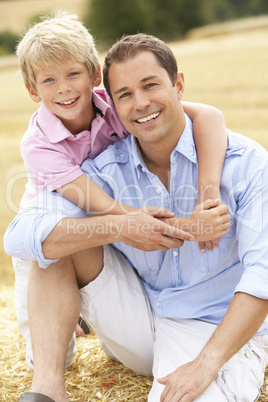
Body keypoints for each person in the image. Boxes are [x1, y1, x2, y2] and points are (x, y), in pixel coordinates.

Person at [5, 33, 268, 402]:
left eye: (151, 85)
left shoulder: (245, 164)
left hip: (209, 325)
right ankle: (48, 389)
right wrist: (122, 225)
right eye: (126, 94)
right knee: (54, 242)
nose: (141, 103)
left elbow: (264, 273)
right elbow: (19, 236)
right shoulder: (88, 163)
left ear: (178, 85)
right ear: (112, 102)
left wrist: (206, 362)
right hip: (142, 314)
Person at [14, 12, 229, 344]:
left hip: (111, 211)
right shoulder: (38, 144)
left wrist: (208, 193)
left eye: (73, 74)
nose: (65, 88)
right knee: (41, 326)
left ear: (96, 74)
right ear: (32, 90)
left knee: (109, 280)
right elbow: (99, 204)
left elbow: (210, 115)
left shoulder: (118, 105)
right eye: (49, 80)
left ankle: (84, 312)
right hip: (58, 218)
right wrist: (183, 226)